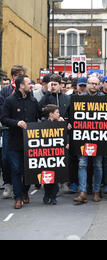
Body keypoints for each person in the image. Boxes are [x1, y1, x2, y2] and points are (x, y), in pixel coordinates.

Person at [0, 75, 41, 209]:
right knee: (16, 169)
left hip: (30, 142)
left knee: (28, 169)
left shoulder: (33, 101)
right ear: (21, 86)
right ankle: (18, 198)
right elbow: (4, 119)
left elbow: (40, 115)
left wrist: (55, 117)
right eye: (29, 83)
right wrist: (16, 122)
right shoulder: (10, 101)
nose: (31, 86)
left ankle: (25, 191)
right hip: (15, 141)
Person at [71, 75, 107, 204]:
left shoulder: (105, 99)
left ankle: (96, 191)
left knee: (98, 165)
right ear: (87, 84)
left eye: (96, 84)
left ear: (99, 85)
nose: (93, 86)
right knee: (82, 164)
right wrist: (69, 123)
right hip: (83, 137)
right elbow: (71, 115)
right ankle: (83, 192)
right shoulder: (78, 99)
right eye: (91, 83)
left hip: (99, 137)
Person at [0, 65, 27, 199]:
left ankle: (22, 188)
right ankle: (7, 183)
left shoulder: (28, 92)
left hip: (23, 130)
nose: (20, 77)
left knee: (22, 160)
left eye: (22, 75)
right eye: (17, 75)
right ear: (13, 77)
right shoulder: (6, 91)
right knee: (5, 158)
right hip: (8, 129)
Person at [42, 104, 67, 205]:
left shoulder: (60, 123)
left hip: (57, 153)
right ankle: (47, 194)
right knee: (47, 176)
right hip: (46, 153)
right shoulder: (43, 123)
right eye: (57, 112)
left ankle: (53, 196)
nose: (59, 114)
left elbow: (65, 135)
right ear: (51, 114)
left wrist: (63, 125)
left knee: (56, 176)